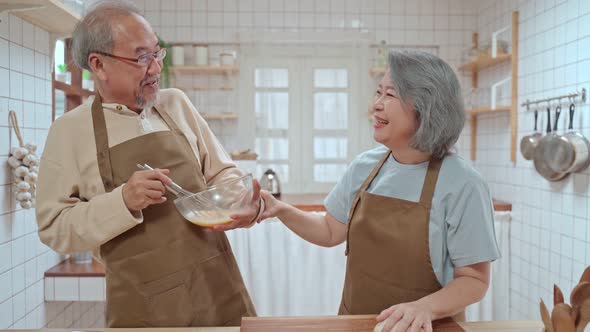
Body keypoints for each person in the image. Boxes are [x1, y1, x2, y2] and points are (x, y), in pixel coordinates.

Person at [220, 50, 500, 332]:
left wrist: (423, 308)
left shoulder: (463, 183)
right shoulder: (365, 167)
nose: (376, 105)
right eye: (378, 92)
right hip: (357, 323)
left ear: (427, 107)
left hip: (427, 327)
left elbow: (474, 281)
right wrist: (279, 209)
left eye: (390, 95)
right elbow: (330, 231)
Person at [36, 1, 261, 328]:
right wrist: (122, 201)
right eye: (142, 57)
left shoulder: (176, 104)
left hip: (216, 288)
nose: (155, 68)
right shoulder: (70, 131)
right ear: (99, 65)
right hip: (142, 308)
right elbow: (54, 228)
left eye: (157, 53)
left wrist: (240, 200)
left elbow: (224, 173)